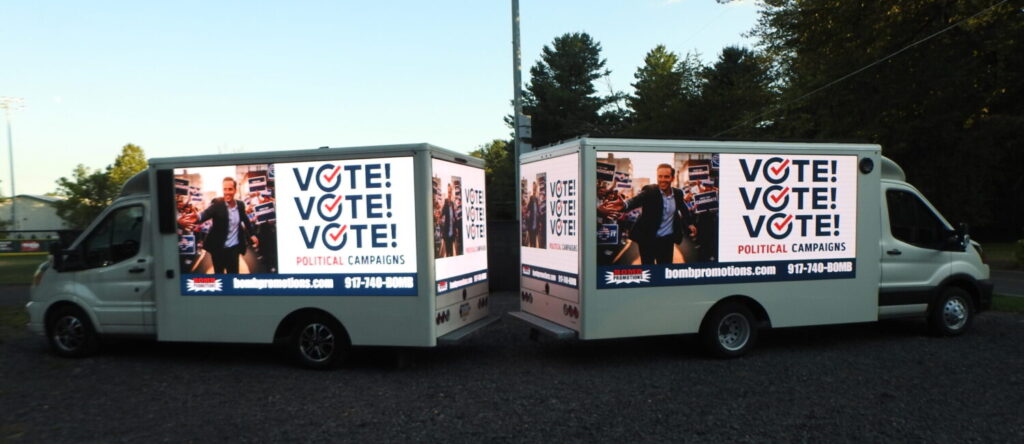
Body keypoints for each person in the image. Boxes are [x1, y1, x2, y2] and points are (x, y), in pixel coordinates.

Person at [603, 164, 696, 265]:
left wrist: (690, 224)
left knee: (664, 271)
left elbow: (683, 208)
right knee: (648, 271)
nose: (662, 180)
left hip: (667, 242)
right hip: (647, 240)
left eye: (666, 176)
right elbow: (636, 200)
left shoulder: (678, 193)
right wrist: (625, 204)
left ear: (672, 178)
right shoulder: (650, 190)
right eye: (660, 176)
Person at [179, 177, 259, 274]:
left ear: (235, 190)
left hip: (234, 249)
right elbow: (205, 214)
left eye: (230, 189)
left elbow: (245, 219)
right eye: (224, 189)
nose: (227, 192)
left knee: (233, 277)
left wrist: (252, 234)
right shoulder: (217, 203)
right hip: (218, 249)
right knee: (219, 278)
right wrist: (197, 217)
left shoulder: (240, 205)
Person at [439, 184, 457, 257]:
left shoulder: (452, 204)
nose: (450, 194)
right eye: (448, 192)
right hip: (447, 231)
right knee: (447, 249)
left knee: (451, 250)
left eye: (450, 192)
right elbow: (442, 213)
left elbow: (454, 216)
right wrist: (440, 218)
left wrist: (456, 222)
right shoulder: (446, 203)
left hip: (452, 231)